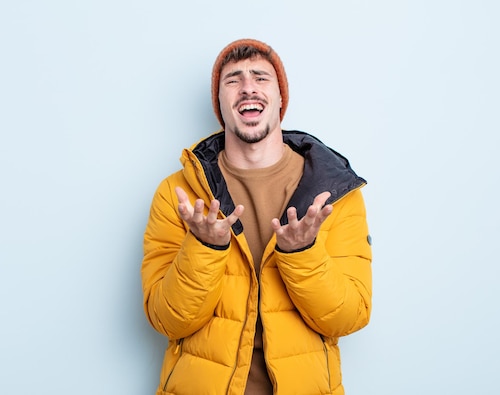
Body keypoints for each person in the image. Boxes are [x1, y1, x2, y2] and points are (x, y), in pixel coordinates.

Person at [141, 38, 372, 395]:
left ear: (281, 98)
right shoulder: (179, 194)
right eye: (232, 80)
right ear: (219, 103)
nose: (248, 87)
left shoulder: (335, 193)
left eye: (261, 78)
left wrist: (302, 253)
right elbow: (168, 320)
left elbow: (349, 317)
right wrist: (205, 247)